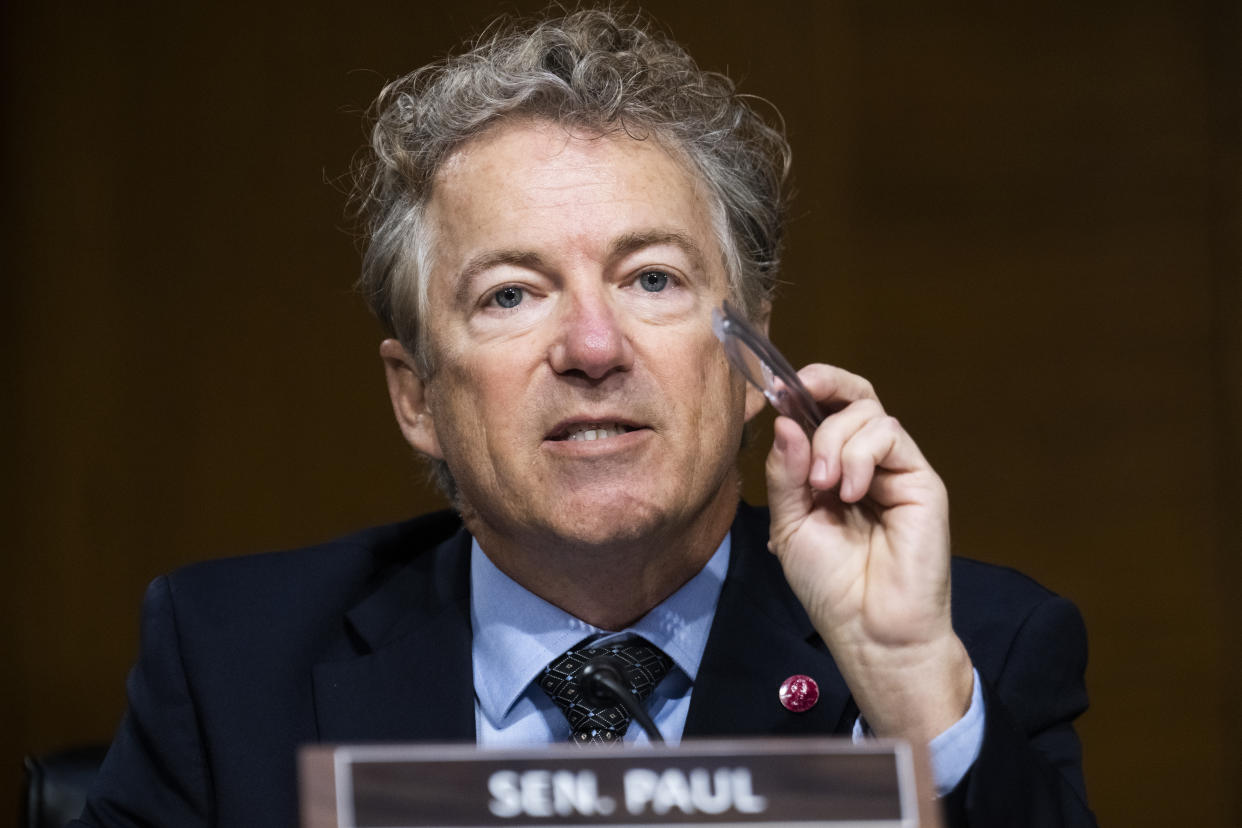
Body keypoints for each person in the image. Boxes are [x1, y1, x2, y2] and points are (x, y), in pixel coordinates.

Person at [74, 8, 1094, 827]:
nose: (594, 348)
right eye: (512, 295)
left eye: (652, 278)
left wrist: (908, 689)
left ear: (751, 364)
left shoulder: (973, 653)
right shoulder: (230, 665)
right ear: (417, 396)